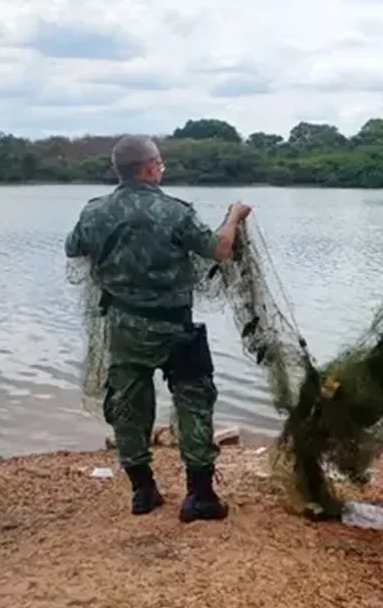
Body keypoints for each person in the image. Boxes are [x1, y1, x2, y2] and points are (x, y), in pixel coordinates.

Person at [64, 135, 252, 522]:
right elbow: (218, 249)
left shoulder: (94, 212)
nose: (161, 170)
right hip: (174, 329)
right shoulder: (174, 212)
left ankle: (143, 491)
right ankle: (199, 496)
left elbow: (73, 247)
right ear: (150, 168)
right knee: (195, 401)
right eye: (160, 165)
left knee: (129, 407)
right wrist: (234, 216)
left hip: (123, 326)